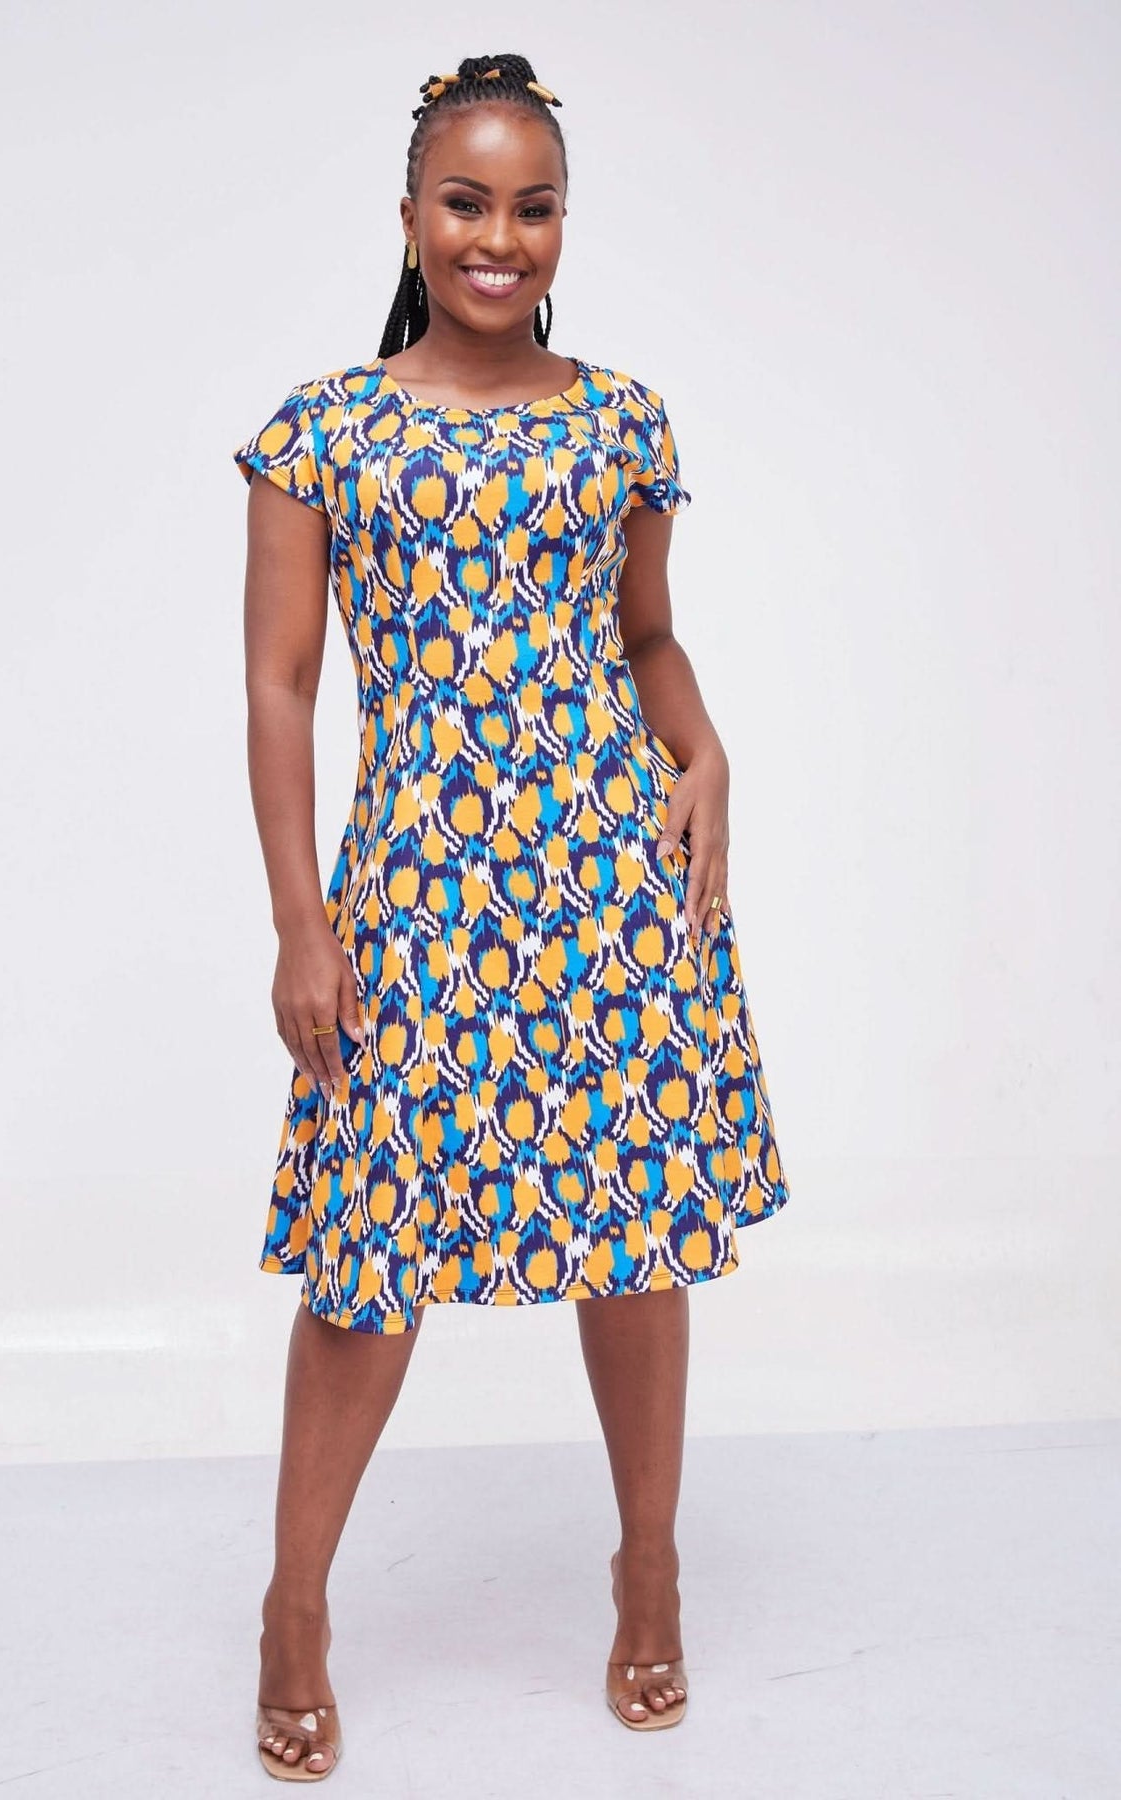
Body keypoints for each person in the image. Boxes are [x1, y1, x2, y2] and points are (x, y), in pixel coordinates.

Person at [233, 51, 792, 1782]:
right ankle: (295, 1609)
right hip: (415, 899)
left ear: (563, 223)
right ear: (408, 216)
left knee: (632, 1244)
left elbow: (645, 635)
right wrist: (301, 923)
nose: (498, 237)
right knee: (368, 1265)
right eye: (465, 203)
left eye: (531, 207)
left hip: (611, 887)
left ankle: (647, 1572)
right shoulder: (323, 433)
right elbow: (279, 686)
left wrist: (704, 747)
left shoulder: (620, 419)